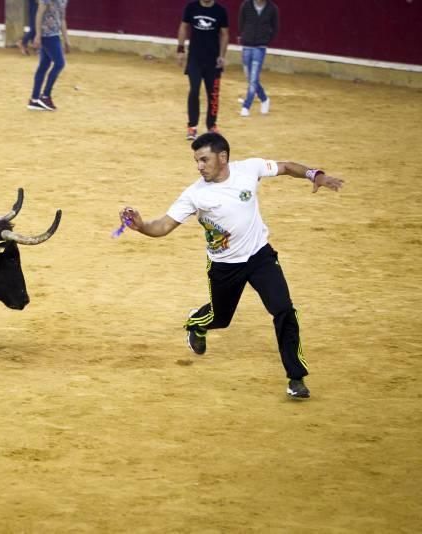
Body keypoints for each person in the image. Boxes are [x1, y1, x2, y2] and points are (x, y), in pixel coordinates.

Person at [118, 132, 344, 399]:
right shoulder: (195, 195)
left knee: (284, 310)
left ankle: (296, 378)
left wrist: (313, 174)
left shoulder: (249, 169)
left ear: (222, 157)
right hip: (224, 266)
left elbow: (284, 167)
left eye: (204, 159)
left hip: (260, 256)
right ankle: (196, 324)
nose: (199, 166)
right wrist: (142, 226)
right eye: (197, 161)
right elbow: (163, 226)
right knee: (220, 318)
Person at [177, 0, 229, 140]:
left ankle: (211, 126)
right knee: (194, 90)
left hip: (213, 60)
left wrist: (222, 56)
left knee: (213, 93)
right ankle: (192, 127)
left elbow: (224, 34)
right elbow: (183, 27)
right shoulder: (191, 7)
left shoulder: (220, 11)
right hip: (195, 59)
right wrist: (181, 49)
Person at [238, 0, 279, 116]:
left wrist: (265, 40)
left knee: (253, 77)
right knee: (250, 77)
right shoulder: (246, 5)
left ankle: (246, 106)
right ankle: (264, 99)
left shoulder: (272, 8)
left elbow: (275, 28)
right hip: (247, 45)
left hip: (260, 47)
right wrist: (245, 35)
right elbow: (241, 23)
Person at [26, 0, 69, 112]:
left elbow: (62, 19)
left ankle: (34, 100)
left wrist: (66, 40)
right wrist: (38, 35)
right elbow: (39, 13)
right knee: (59, 64)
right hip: (47, 35)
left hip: (53, 35)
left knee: (44, 65)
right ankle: (45, 96)